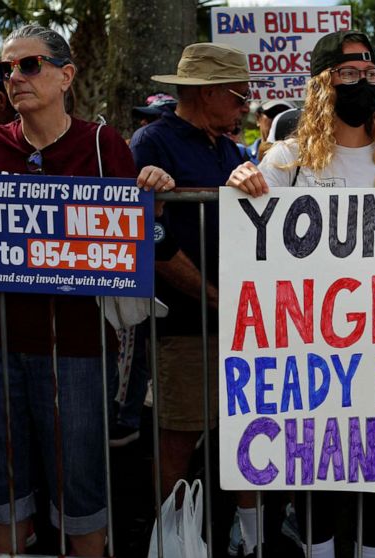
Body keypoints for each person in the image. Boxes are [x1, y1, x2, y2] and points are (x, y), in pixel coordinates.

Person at [227, 30, 375, 558]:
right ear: (322, 85)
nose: (363, 84)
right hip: (309, 352)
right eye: (349, 74)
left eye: (370, 74)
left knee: (373, 460)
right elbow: (250, 231)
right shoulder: (286, 161)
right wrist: (242, 184)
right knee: (313, 460)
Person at [0, 23, 173, 555]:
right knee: (0, 468)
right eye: (5, 69)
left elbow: (133, 241)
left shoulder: (103, 145)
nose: (14, 77)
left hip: (74, 345)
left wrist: (156, 196)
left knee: (79, 470)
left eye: (29, 65)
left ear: (66, 75)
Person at [130, 41, 261, 554]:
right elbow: (151, 243)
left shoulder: (230, 150)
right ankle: (171, 539)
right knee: (178, 437)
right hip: (184, 326)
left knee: (247, 437)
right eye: (239, 94)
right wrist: (214, 298)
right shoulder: (152, 143)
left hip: (237, 324)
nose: (245, 104)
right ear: (207, 92)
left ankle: (248, 539)